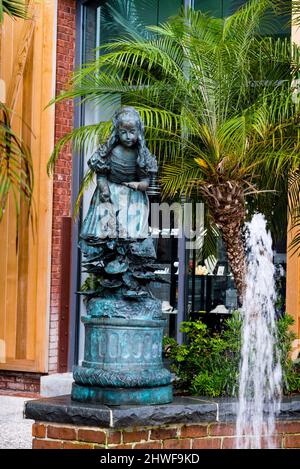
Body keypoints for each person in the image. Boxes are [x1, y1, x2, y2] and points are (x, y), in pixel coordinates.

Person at [80, 106, 157, 250]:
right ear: (117, 132)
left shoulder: (141, 155)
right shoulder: (109, 152)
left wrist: (138, 185)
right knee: (108, 233)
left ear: (138, 132)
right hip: (111, 194)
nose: (128, 136)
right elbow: (101, 175)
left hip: (133, 199)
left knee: (131, 239)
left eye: (132, 132)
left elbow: (146, 182)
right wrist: (104, 189)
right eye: (124, 132)